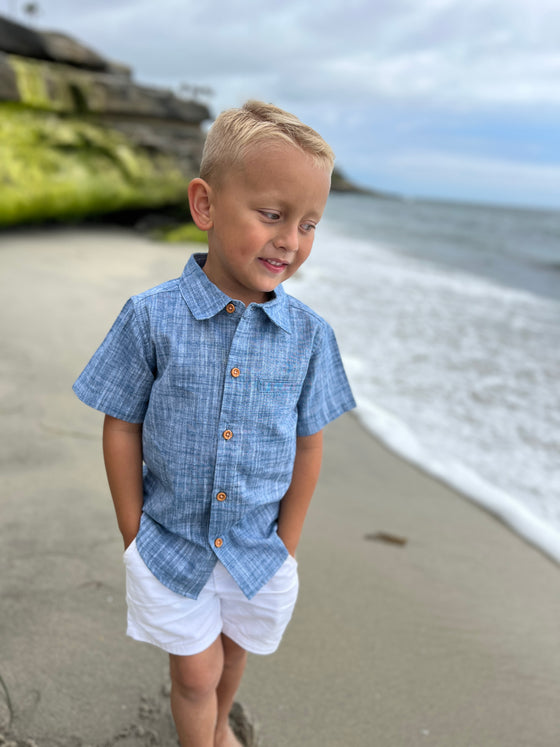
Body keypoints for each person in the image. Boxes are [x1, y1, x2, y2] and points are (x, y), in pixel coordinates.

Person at [73, 100, 355, 747]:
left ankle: (219, 722)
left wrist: (288, 539)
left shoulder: (310, 337)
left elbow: (309, 442)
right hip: (170, 541)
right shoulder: (151, 317)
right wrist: (131, 530)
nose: (291, 240)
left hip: (258, 548)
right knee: (195, 672)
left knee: (230, 658)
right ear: (205, 206)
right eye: (273, 215)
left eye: (309, 224)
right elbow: (121, 425)